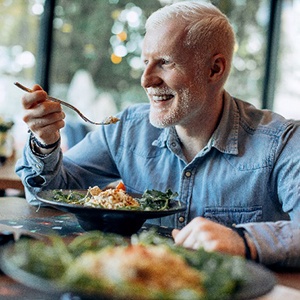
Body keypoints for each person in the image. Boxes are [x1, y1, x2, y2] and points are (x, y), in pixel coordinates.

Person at [16, 1, 300, 267]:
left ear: (215, 69)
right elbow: (44, 194)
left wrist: (244, 240)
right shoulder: (127, 128)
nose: (146, 79)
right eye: (145, 62)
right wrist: (45, 142)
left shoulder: (281, 142)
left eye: (165, 62)